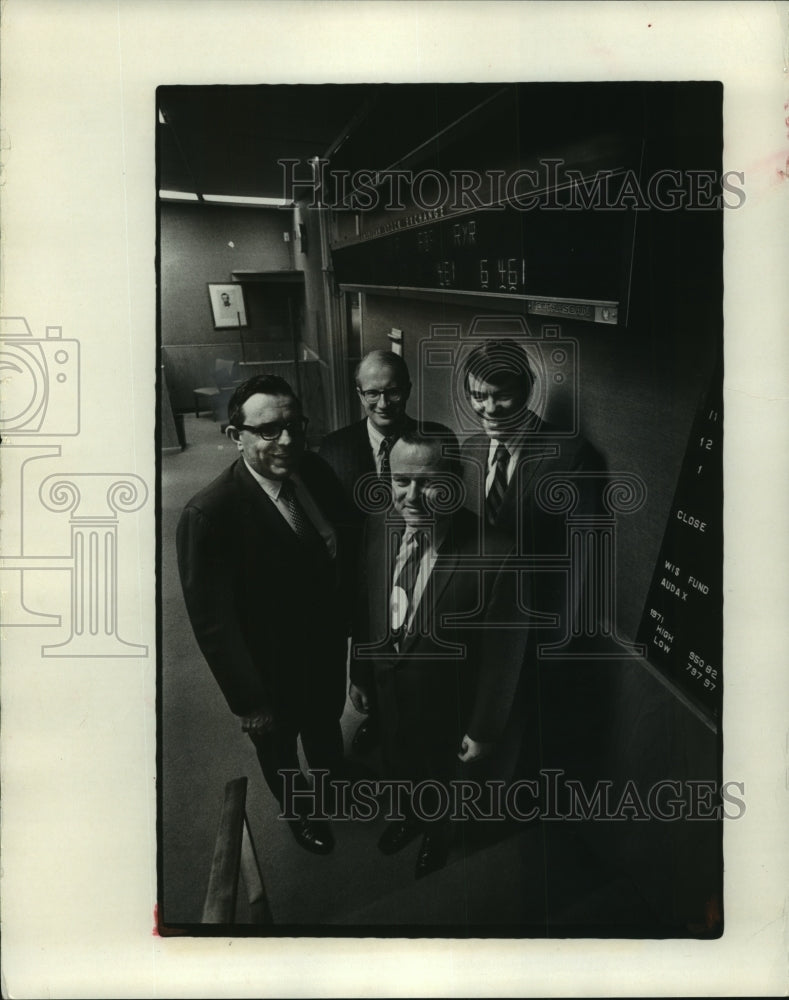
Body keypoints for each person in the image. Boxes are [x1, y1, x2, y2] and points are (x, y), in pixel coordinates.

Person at [176, 374, 355, 855]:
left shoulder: (312, 471)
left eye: (295, 425)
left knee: (324, 723)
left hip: (322, 649)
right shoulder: (210, 514)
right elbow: (213, 624)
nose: (288, 440)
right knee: (280, 753)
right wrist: (248, 702)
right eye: (270, 430)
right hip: (268, 673)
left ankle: (334, 782)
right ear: (237, 437)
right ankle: (300, 815)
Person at [349, 429, 529, 879]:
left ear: (454, 483)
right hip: (391, 690)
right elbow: (367, 607)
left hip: (451, 709)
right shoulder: (377, 527)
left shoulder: (498, 555)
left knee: (444, 781)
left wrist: (486, 728)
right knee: (402, 764)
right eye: (401, 481)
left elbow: (504, 657)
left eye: (428, 483)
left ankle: (439, 835)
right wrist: (359, 674)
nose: (412, 497)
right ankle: (412, 817)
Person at [318, 349, 447, 755]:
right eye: (372, 393)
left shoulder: (436, 439)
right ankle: (380, 729)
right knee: (372, 682)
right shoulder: (333, 450)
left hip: (423, 574)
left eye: (392, 392)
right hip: (362, 583)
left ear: (407, 390)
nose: (383, 403)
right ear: (358, 394)